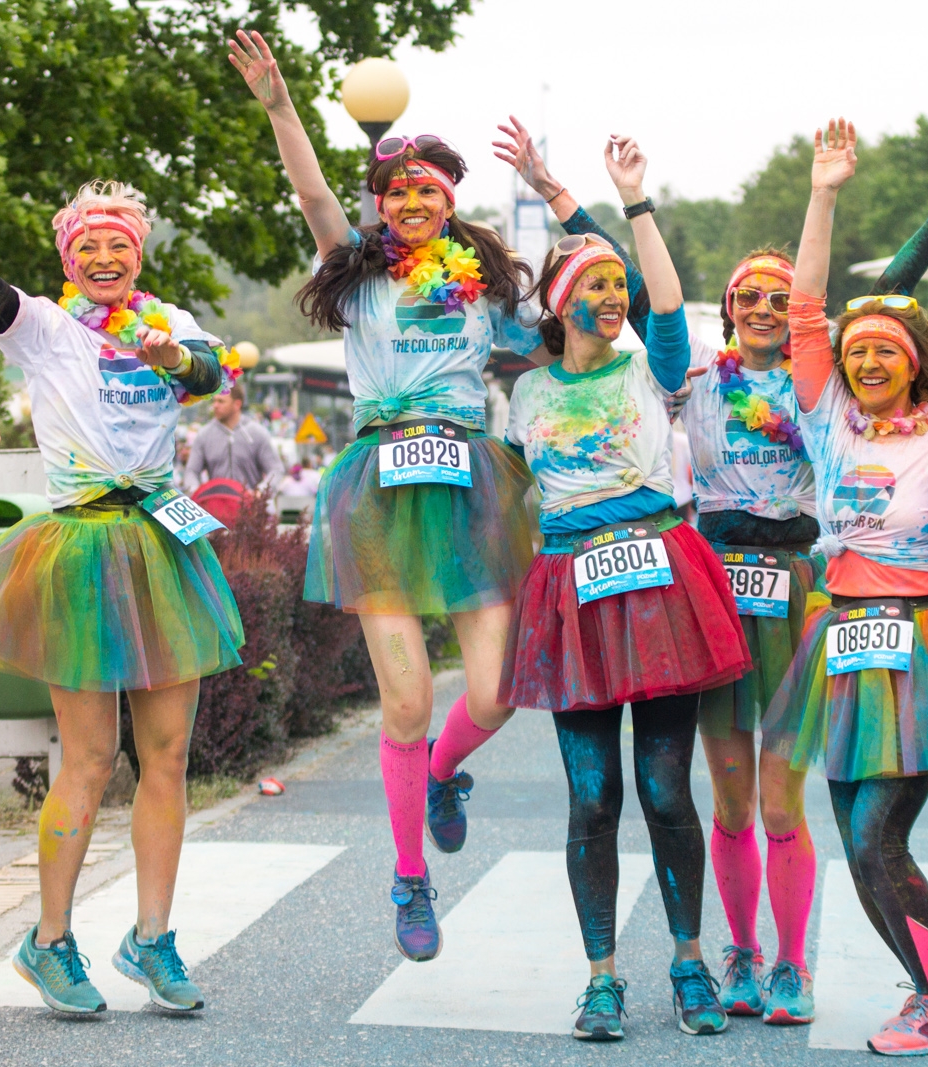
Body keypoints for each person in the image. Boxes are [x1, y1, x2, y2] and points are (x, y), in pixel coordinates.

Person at [492, 113, 928, 1026]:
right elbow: (627, 288)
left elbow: (883, 299)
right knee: (727, 794)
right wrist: (561, 195)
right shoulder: (696, 374)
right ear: (731, 311)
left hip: (801, 588)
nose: (769, 309)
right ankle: (733, 952)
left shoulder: (829, 394)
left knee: (784, 797)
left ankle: (790, 962)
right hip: (704, 588)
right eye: (750, 298)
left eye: (783, 297)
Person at [229, 31, 547, 962]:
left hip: (472, 480)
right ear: (381, 205)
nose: (410, 202)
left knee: (495, 690)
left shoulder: (486, 287)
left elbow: (572, 326)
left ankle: (445, 775)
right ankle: (410, 876)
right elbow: (313, 195)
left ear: (452, 203)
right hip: (378, 480)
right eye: (396, 191)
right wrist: (284, 110)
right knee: (404, 704)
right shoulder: (361, 274)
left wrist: (552, 182)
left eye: (428, 191)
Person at [0, 85, 246, 1014]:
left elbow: (210, 372)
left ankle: (153, 939)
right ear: (71, 259)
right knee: (88, 758)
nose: (105, 257)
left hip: (162, 544)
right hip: (79, 548)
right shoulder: (44, 325)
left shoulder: (167, 323)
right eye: (89, 247)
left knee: (169, 753)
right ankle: (50, 939)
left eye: (120, 246)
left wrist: (173, 359)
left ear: (137, 257)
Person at [500, 134, 750, 1042]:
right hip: (572, 593)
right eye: (595, 289)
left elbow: (666, 301)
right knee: (592, 797)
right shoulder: (524, 396)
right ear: (563, 304)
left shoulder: (653, 366)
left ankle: (689, 963)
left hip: (657, 582)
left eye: (618, 289)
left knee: (666, 791)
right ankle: (602, 976)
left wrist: (625, 204)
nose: (613, 300)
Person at [761, 119, 928, 1056]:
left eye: (885, 348)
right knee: (856, 834)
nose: (866, 358)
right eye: (856, 352)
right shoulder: (833, 427)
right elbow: (808, 307)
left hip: (927, 639)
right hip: (844, 639)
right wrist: (824, 193)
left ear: (913, 357)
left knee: (876, 837)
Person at [184, 382, 284, 490]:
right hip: (216, 504)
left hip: (250, 504)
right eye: (214, 401)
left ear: (237, 404)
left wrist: (261, 491)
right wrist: (195, 492)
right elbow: (191, 471)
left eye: (221, 401)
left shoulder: (258, 433)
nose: (215, 406)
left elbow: (276, 470)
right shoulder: (204, 435)